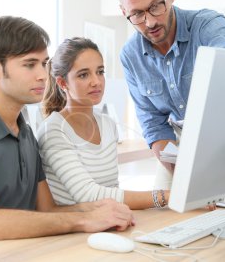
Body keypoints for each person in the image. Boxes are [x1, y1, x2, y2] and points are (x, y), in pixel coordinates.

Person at [0, 16, 134, 261]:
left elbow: (47, 209)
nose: (42, 75)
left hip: (15, 251)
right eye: (30, 65)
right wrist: (84, 218)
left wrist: (101, 208)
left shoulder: (26, 133)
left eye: (44, 64)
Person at [115, 0, 225, 187]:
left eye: (156, 6)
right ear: (124, 12)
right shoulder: (130, 55)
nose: (150, 22)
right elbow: (153, 124)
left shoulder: (208, 26)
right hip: (177, 147)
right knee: (166, 213)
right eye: (137, 14)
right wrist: (183, 173)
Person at [37, 37, 169, 210]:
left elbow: (112, 189)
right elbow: (88, 195)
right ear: (62, 83)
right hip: (73, 229)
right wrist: (164, 196)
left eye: (100, 72)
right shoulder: (52, 130)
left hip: (108, 221)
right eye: (84, 75)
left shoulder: (107, 124)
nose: (96, 82)